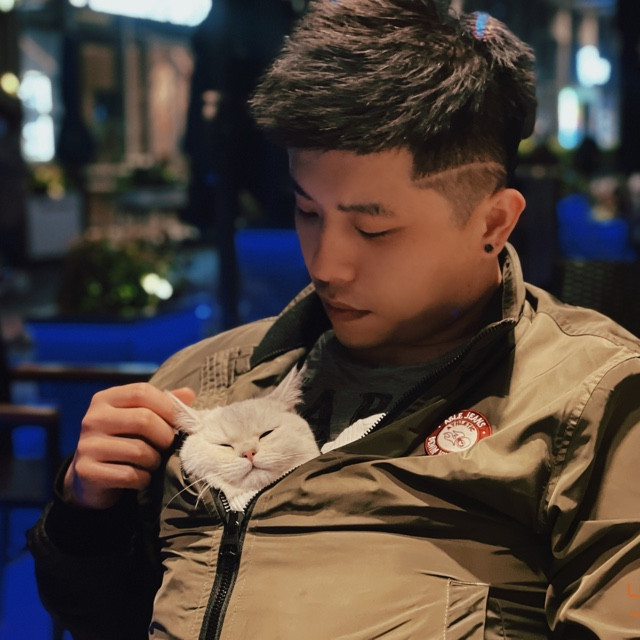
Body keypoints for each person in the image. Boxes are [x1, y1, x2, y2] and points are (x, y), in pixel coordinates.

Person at [28, 1, 640, 638]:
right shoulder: (204, 380)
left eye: (374, 230)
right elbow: (107, 618)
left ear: (493, 223)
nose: (326, 266)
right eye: (307, 212)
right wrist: (86, 510)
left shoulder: (591, 400)